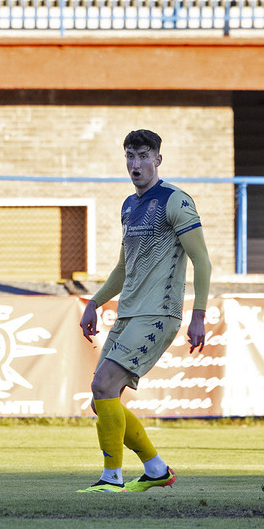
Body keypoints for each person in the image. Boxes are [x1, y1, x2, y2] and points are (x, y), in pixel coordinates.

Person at [77, 129, 211, 493]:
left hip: (159, 313)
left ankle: (111, 478)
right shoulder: (128, 206)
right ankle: (156, 469)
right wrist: (93, 302)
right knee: (101, 398)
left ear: (158, 159)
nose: (135, 164)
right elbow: (123, 268)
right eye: (130, 156)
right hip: (128, 312)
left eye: (143, 156)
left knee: (103, 384)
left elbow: (201, 260)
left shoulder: (176, 201)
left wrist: (198, 314)